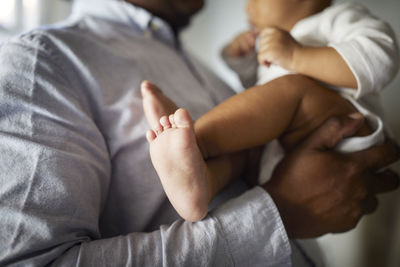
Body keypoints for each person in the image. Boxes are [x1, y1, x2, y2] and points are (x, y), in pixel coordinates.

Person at [0, 0, 399, 266]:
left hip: (340, 128)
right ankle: (199, 165)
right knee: (244, 148)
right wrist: (280, 214)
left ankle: (196, 148)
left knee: (252, 137)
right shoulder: (43, 60)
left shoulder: (201, 67)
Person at [144, 0, 399, 222]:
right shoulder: (283, 43)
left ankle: (195, 141)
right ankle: (200, 186)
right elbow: (265, 99)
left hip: (347, 131)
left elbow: (380, 58)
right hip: (283, 151)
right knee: (244, 149)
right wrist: (244, 63)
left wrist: (297, 56)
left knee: (290, 90)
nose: (247, 6)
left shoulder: (337, 18)